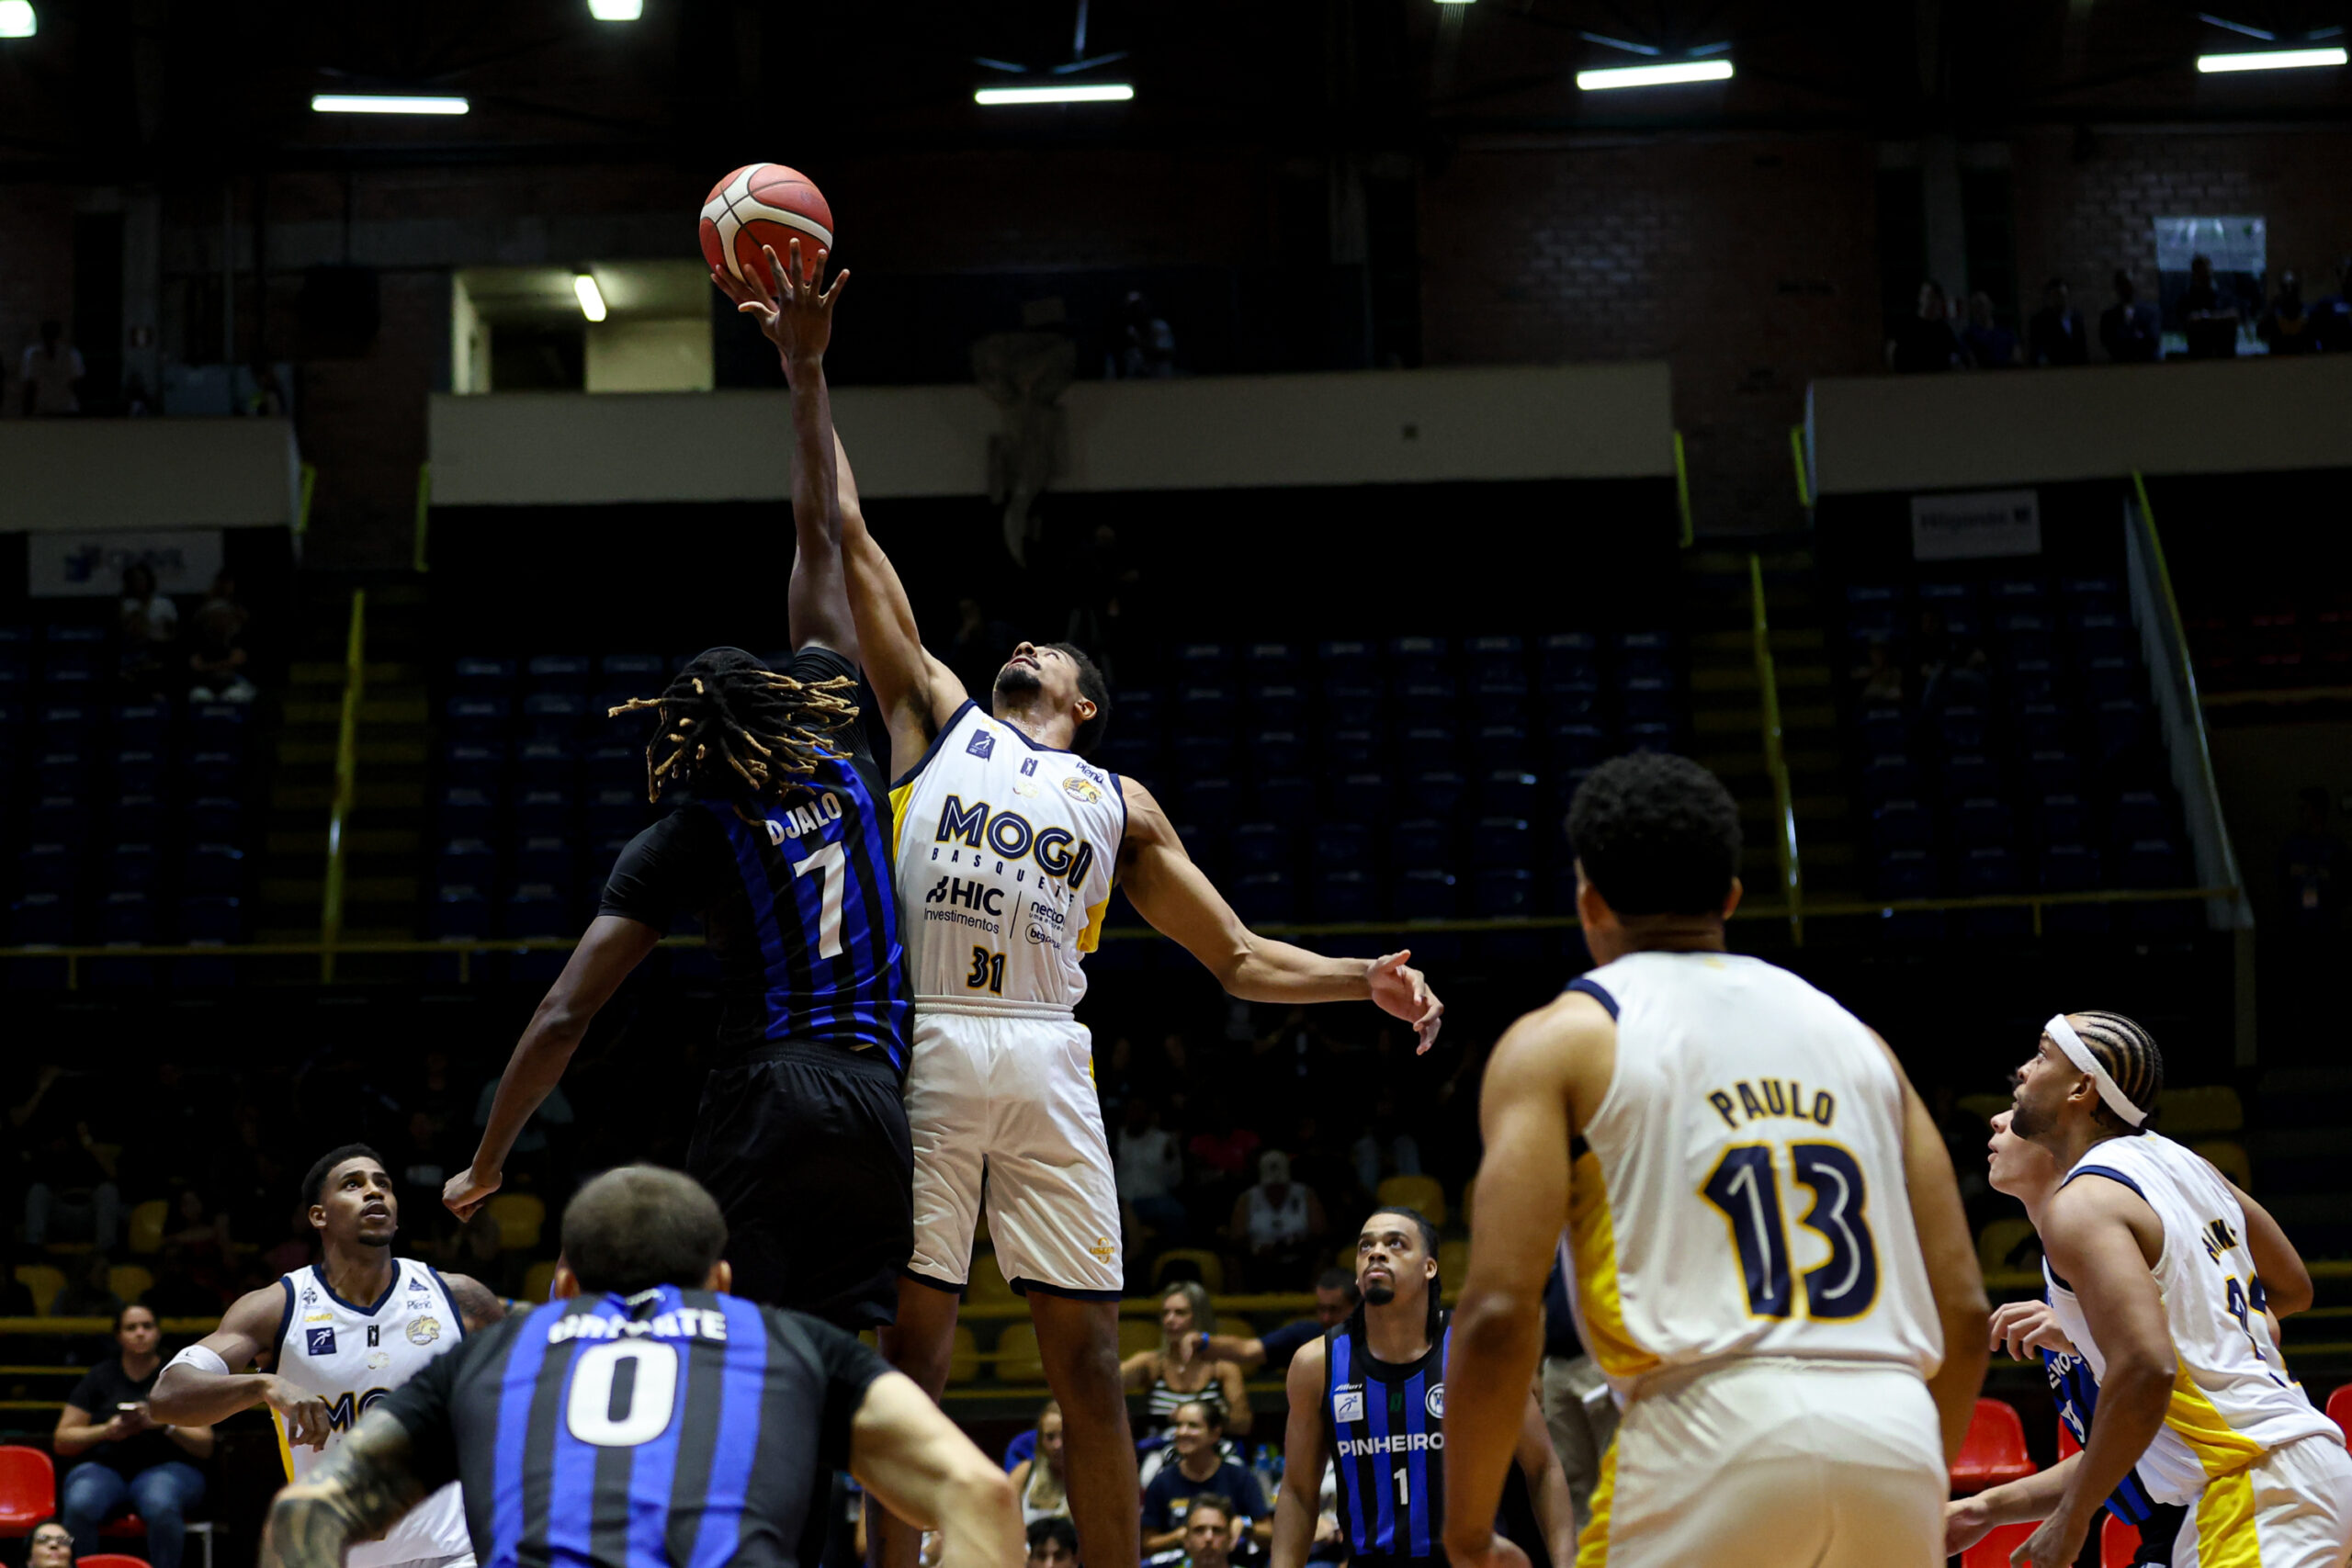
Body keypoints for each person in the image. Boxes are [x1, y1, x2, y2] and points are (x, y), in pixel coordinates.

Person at [834, 326, 1443, 1568]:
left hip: (1052, 1055)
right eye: (1017, 645)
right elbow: (849, 542)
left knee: (1094, 1370)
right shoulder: (941, 721)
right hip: (937, 1039)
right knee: (918, 1354)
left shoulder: (1120, 798)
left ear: (1084, 700)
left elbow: (1234, 956)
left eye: (1046, 654)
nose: (1023, 648)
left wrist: (1357, 978)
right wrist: (805, 371)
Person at [447, 240, 915, 1332]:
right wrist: (804, 372)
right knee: (854, 1364)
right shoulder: (842, 748)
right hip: (880, 1100)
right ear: (777, 703)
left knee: (736, 1346)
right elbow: (818, 535)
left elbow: (567, 1012)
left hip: (771, 1092)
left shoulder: (692, 828)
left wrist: (487, 1157)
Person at [1442, 751, 1990, 1568]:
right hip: (1896, 1424)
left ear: (1588, 901)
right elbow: (1967, 1314)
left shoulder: (1563, 1038)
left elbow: (1495, 1314)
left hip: (1706, 1428)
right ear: (1731, 898)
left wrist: (1466, 1533)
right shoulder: (1861, 1042)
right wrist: (1901, 1471)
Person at [254, 1167, 1022, 1568]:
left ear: (563, 1289)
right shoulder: (786, 1340)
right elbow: (982, 1491)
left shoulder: (494, 1353)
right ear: (721, 1282)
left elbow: (307, 1512)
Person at [1992, 1012, 2351, 1568]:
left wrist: (2071, 1520)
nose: (2024, 1069)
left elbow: (2145, 1368)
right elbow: (2291, 1287)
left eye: (2041, 1056)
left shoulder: (2083, 1203)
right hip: (2305, 1466)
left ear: (2082, 1088)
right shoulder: (2189, 1166)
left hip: (2249, 1484)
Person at [152, 1145, 505, 1568]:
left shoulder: (458, 1298)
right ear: (319, 1216)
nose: (374, 1192)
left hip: (455, 1553)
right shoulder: (277, 1307)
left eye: (383, 1185)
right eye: (353, 1184)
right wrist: (264, 1384)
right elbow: (167, 1396)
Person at [1942, 1110, 2202, 1564]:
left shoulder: (2121, 1249)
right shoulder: (2059, 1281)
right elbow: (2125, 1453)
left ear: (2059, 1146)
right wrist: (1983, 1509)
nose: (1998, 1120)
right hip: (2167, 1527)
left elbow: (2247, 1342)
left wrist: (2092, 1337)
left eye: (2020, 1113)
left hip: (2223, 1502)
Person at [1273, 1208, 1573, 1568]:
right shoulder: (1315, 1365)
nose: (1376, 1253)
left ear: (1429, 1268)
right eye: (1365, 1246)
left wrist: (1566, 1563)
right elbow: (1298, 1492)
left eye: (1395, 1244)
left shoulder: (1477, 1353)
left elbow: (1543, 1467)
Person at [54, 1304, 217, 1568]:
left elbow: (205, 1444)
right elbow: (62, 1439)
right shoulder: (100, 1376)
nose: (140, 1333)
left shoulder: (179, 1376)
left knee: (160, 1501)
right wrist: (106, 1431)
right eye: (131, 1328)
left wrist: (165, 1424)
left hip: (168, 1469)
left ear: (158, 1332)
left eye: (147, 1326)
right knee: (80, 1501)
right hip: (106, 1468)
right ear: (118, 1336)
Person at [1125, 1281, 1250, 1438]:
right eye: (1165, 1313)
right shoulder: (1151, 1363)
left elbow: (1242, 1424)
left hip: (1212, 1452)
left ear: (1199, 1317)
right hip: (1161, 1451)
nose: (1170, 1319)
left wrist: (1196, 1417)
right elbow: (1106, 1382)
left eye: (1180, 1313)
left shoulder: (1223, 1367)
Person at [1182, 1268, 1359, 1377]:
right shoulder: (1305, 1335)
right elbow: (1247, 1349)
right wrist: (1203, 1340)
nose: (1325, 1318)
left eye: (1334, 1310)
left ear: (1357, 1306)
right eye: (1321, 1309)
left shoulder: (1378, 1340)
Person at [1144, 1401, 1270, 1552]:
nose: (1182, 1432)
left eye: (1193, 1426)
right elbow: (1146, 1545)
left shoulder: (1239, 1477)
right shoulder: (1161, 1482)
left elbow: (1270, 1533)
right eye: (1178, 1425)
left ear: (1215, 1433)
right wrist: (1177, 1536)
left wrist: (1245, 1526)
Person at [1227, 1151, 1327, 1292]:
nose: (1276, 1190)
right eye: (1271, 1186)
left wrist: (1296, 1244)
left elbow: (1320, 1232)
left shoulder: (1305, 1194)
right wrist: (1256, 1249)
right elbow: (1236, 1237)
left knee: (1322, 1255)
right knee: (1234, 1261)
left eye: (1280, 1185)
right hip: (1258, 1260)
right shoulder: (1248, 1198)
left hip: (1299, 1257)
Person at [1117, 1098, 1190, 1246]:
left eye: (1140, 1111)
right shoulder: (1114, 1138)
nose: (1135, 1115)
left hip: (1155, 1198)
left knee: (1178, 1214)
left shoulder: (1164, 1141)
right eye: (1132, 1111)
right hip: (1121, 1200)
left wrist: (1171, 1160)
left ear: (1149, 1115)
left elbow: (1176, 1180)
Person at [1008, 1402, 1069, 1527]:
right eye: (1050, 1437)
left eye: (1064, 1435)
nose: (1058, 1445)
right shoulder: (1024, 1474)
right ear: (1041, 1441)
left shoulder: (1093, 1480)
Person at [1885, 281, 1962, 372]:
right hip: (1910, 379)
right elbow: (1891, 349)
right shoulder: (1906, 325)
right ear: (1920, 297)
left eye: (1935, 297)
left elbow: (1953, 354)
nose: (1930, 300)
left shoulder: (1944, 329)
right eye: (1928, 296)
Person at [2180, 254, 2241, 360]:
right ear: (2195, 275)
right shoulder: (2187, 300)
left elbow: (2234, 316)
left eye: (2207, 272)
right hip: (2198, 357)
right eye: (2202, 273)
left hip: (2226, 358)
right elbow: (2189, 321)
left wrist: (2205, 318)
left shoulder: (2224, 296)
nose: (2206, 276)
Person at [20, 319, 83, 415]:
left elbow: (76, 383)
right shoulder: (34, 355)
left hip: (66, 407)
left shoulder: (70, 355)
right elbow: (30, 385)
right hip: (43, 408)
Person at [2100, 270, 2164, 363]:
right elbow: (2111, 344)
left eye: (2128, 283)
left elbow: (2152, 340)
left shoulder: (2151, 312)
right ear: (2116, 287)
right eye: (2121, 284)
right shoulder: (2109, 317)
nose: (2126, 288)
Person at [2029, 277, 2090, 367]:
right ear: (2049, 298)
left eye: (2063, 296)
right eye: (2056, 296)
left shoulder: (2076, 318)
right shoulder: (2039, 321)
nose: (2060, 300)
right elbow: (2036, 350)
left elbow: (2082, 348)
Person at [2259, 270, 2317, 356]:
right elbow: (2261, 331)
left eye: (2292, 287)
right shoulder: (2274, 310)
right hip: (2278, 352)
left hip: (2300, 353)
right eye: (2286, 287)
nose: (2289, 291)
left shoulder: (2305, 311)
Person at [1962, 291, 2021, 369]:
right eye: (1975, 306)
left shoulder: (2006, 332)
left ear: (1991, 305)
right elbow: (1971, 362)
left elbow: (2017, 357)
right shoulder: (1968, 335)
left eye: (1981, 305)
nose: (1979, 309)